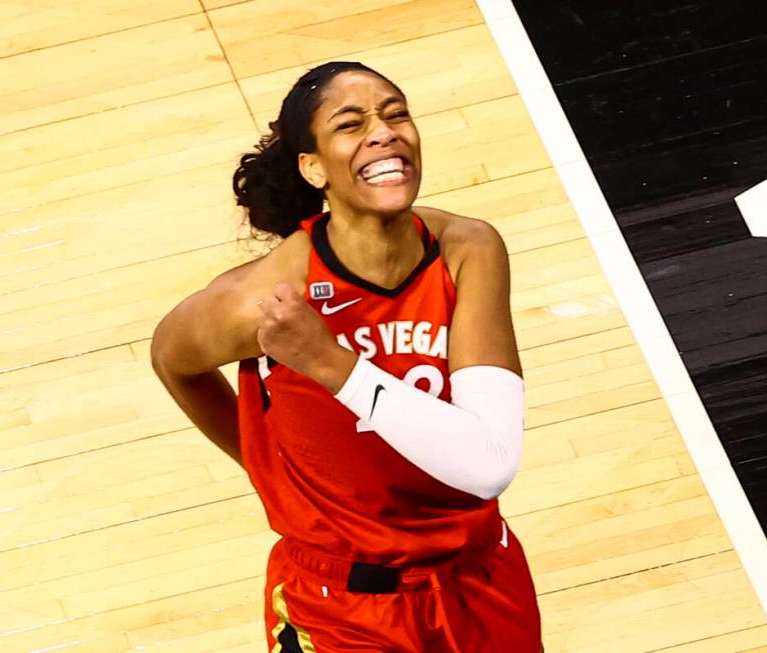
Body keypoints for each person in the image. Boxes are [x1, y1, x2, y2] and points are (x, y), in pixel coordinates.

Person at [151, 61, 543, 652]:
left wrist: (329, 362)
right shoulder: (267, 297)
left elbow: (490, 463)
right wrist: (272, 473)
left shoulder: (468, 250)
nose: (383, 132)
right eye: (350, 124)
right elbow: (172, 358)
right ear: (313, 168)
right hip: (343, 609)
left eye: (395, 114)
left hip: (479, 575)